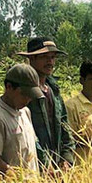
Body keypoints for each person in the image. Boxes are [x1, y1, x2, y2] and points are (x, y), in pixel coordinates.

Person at [17, 37, 75, 170]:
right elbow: (25, 133)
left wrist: (66, 158)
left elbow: (65, 126)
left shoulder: (53, 91)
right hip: (32, 165)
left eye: (53, 57)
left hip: (58, 166)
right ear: (32, 59)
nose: (50, 61)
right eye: (44, 57)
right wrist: (44, 162)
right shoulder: (23, 91)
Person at [0, 64, 43, 174]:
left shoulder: (25, 112)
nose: (28, 99)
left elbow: (33, 147)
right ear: (9, 87)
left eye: (30, 96)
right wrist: (14, 176)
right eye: (24, 94)